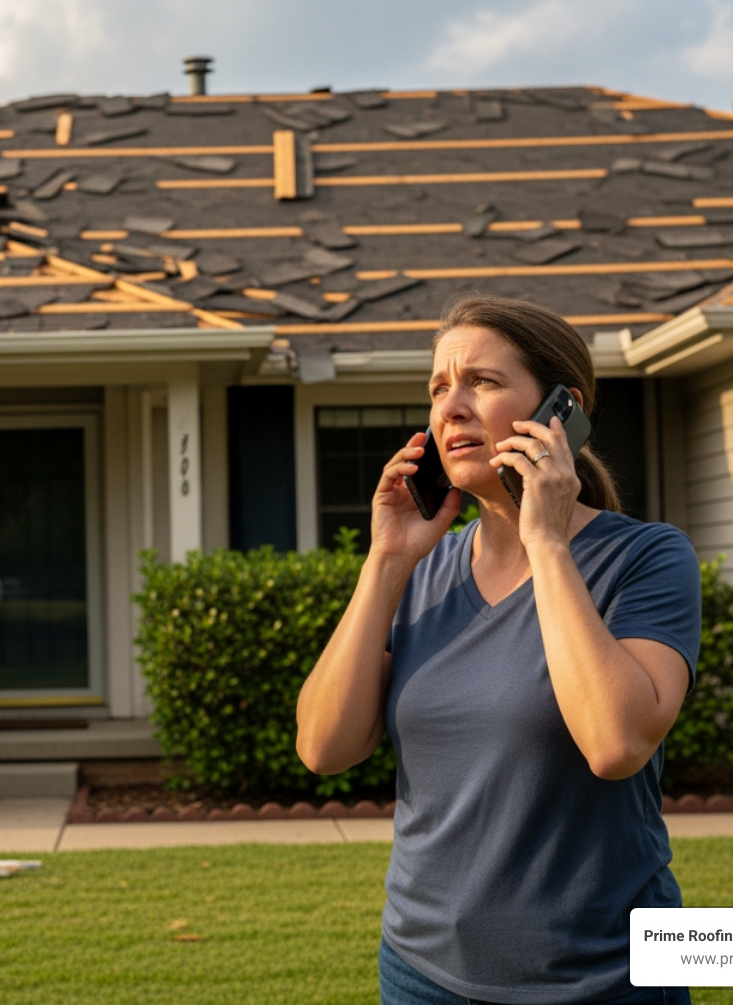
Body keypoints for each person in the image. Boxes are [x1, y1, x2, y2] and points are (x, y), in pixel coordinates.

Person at [296, 294, 701, 1005]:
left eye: (480, 382)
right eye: (438, 387)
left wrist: (545, 539)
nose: (450, 407)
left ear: (560, 410)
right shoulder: (422, 574)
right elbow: (324, 747)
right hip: (422, 974)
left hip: (604, 980)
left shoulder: (646, 559)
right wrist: (386, 562)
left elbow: (616, 744)